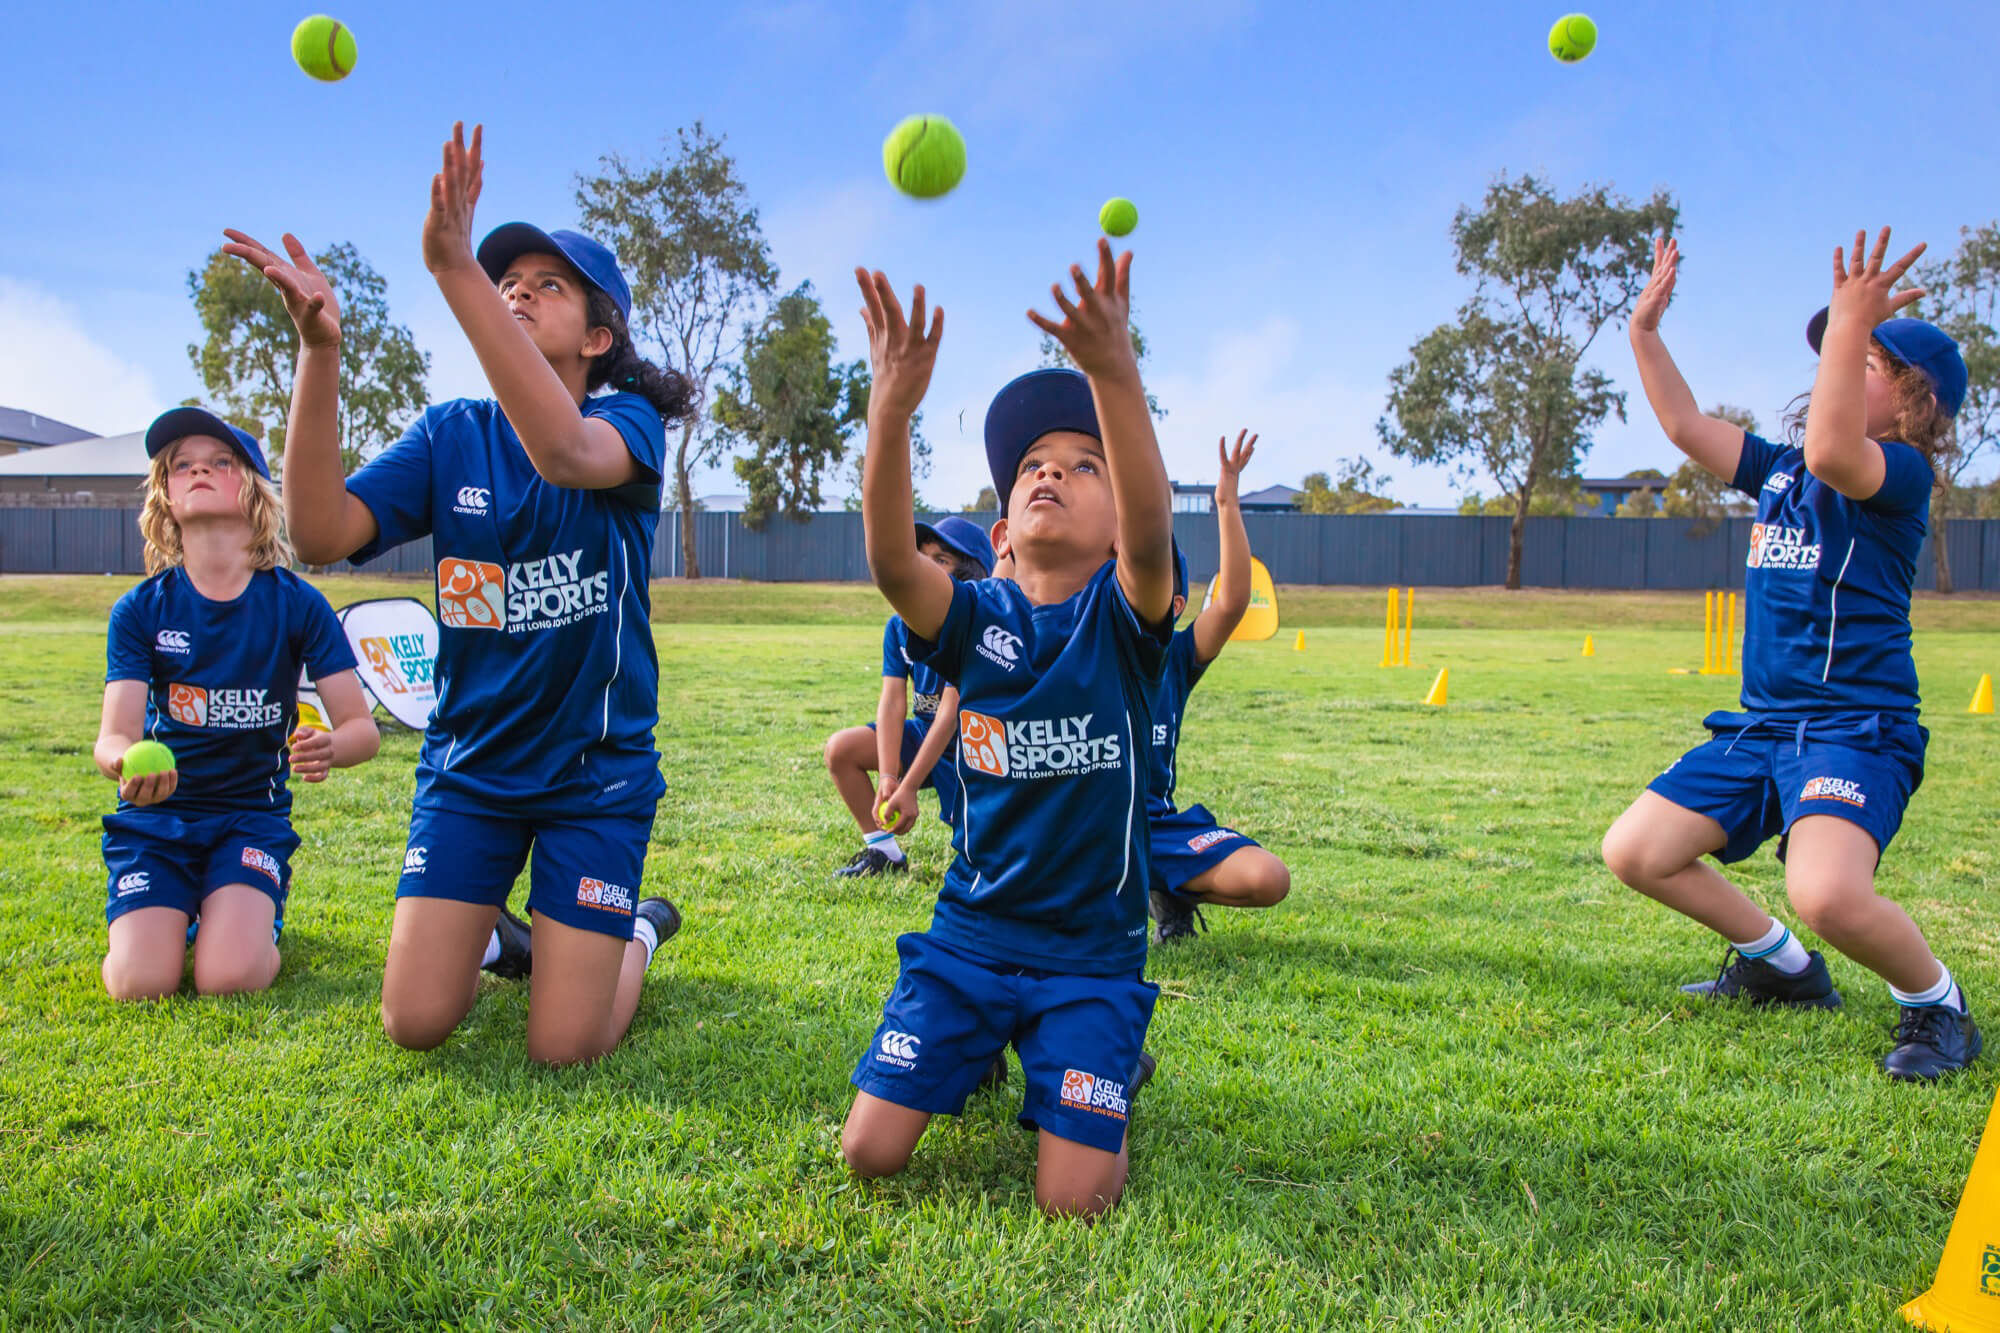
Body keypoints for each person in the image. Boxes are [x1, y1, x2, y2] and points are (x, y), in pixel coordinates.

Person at [229, 123, 688, 1064]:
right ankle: (512, 938)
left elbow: (564, 451)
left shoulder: (626, 421)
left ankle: (635, 931)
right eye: (505, 279)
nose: (516, 290)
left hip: (594, 777)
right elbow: (319, 533)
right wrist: (320, 352)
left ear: (599, 337)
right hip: (471, 768)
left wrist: (453, 269)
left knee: (565, 1046)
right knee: (415, 1022)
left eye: (546, 285)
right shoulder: (450, 436)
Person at [840, 239, 1177, 1218]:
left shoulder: (1124, 620)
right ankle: (990, 1039)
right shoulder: (974, 619)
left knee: (1075, 1201)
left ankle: (1100, 1058)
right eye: (1032, 466)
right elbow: (891, 563)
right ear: (999, 532)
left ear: (1116, 527)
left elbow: (1152, 532)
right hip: (971, 938)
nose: (1050, 473)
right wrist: (890, 409)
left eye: (1082, 466)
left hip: (1090, 955)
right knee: (867, 1152)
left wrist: (1113, 371)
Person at [1602, 228, 1977, 1080]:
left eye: (1862, 362)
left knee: (1827, 893)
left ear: (1914, 405)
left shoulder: (1902, 476)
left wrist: (1851, 319)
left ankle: (1938, 1006)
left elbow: (1837, 450)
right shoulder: (1780, 472)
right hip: (1763, 727)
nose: (1832, 367)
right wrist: (1644, 333)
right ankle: (1783, 967)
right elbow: (1685, 424)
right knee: (1636, 850)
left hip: (1855, 731)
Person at [96, 406, 379, 1001]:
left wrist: (331, 746)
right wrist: (123, 764)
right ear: (166, 495)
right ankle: (183, 909)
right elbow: (113, 737)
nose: (198, 471)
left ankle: (242, 911)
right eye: (182, 466)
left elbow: (362, 729)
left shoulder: (298, 604)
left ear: (252, 488)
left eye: (219, 462)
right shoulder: (140, 610)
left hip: (251, 820)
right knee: (138, 984)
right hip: (156, 823)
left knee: (229, 979)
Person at [1146, 431, 1292, 943]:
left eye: (1152, 573)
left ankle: (1166, 889)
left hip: (1152, 829)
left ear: (1176, 605)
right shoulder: (1084, 643)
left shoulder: (1177, 657)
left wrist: (1227, 501)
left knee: (1268, 877)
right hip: (1082, 830)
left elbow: (1231, 603)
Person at [823, 516, 993, 876]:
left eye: (941, 560)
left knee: (983, 852)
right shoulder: (898, 626)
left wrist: (910, 785)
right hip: (926, 733)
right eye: (921, 557)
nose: (924, 568)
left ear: (970, 572)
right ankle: (884, 853)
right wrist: (888, 776)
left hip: (974, 746)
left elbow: (950, 713)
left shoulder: (975, 623)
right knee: (841, 750)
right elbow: (892, 702)